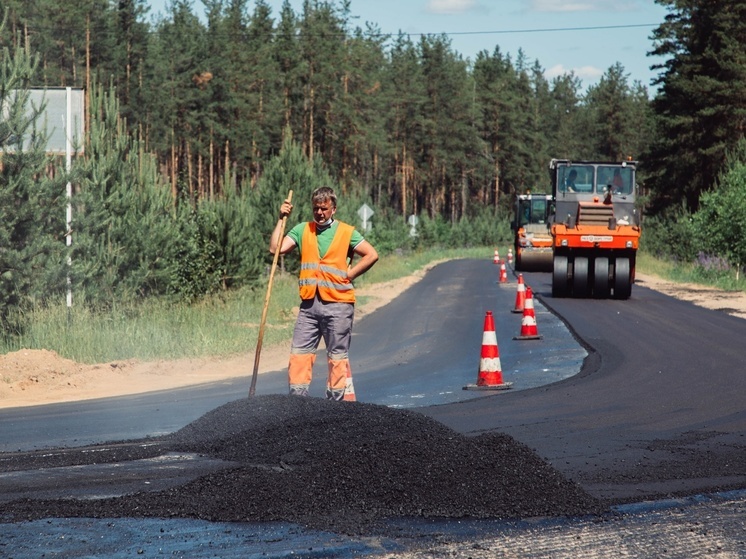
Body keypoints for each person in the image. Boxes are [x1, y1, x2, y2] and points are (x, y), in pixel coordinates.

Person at [269, 186, 379, 400]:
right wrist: (282, 218)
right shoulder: (302, 230)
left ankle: (335, 403)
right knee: (299, 353)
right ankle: (297, 401)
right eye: (316, 208)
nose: (319, 213)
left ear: (333, 209)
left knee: (337, 355)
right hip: (309, 305)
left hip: (339, 305)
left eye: (324, 208)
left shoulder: (347, 232)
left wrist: (350, 275)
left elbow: (371, 254)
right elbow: (276, 249)